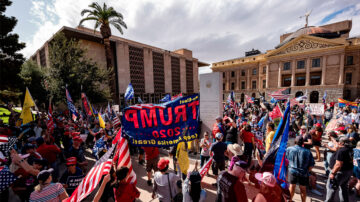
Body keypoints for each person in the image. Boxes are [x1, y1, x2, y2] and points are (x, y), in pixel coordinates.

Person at [286, 136, 315, 202]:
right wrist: (308, 171)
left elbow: (285, 161)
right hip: (303, 172)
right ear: (303, 143)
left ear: (295, 142)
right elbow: (311, 165)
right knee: (303, 189)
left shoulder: (289, 149)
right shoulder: (307, 151)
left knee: (291, 187)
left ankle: (290, 200)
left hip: (292, 171)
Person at [325, 137, 354, 202]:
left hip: (339, 173)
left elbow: (338, 164)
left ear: (342, 143)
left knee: (331, 189)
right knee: (343, 188)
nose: (337, 143)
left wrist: (333, 173)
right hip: (347, 172)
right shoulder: (349, 149)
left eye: (338, 142)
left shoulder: (342, 151)